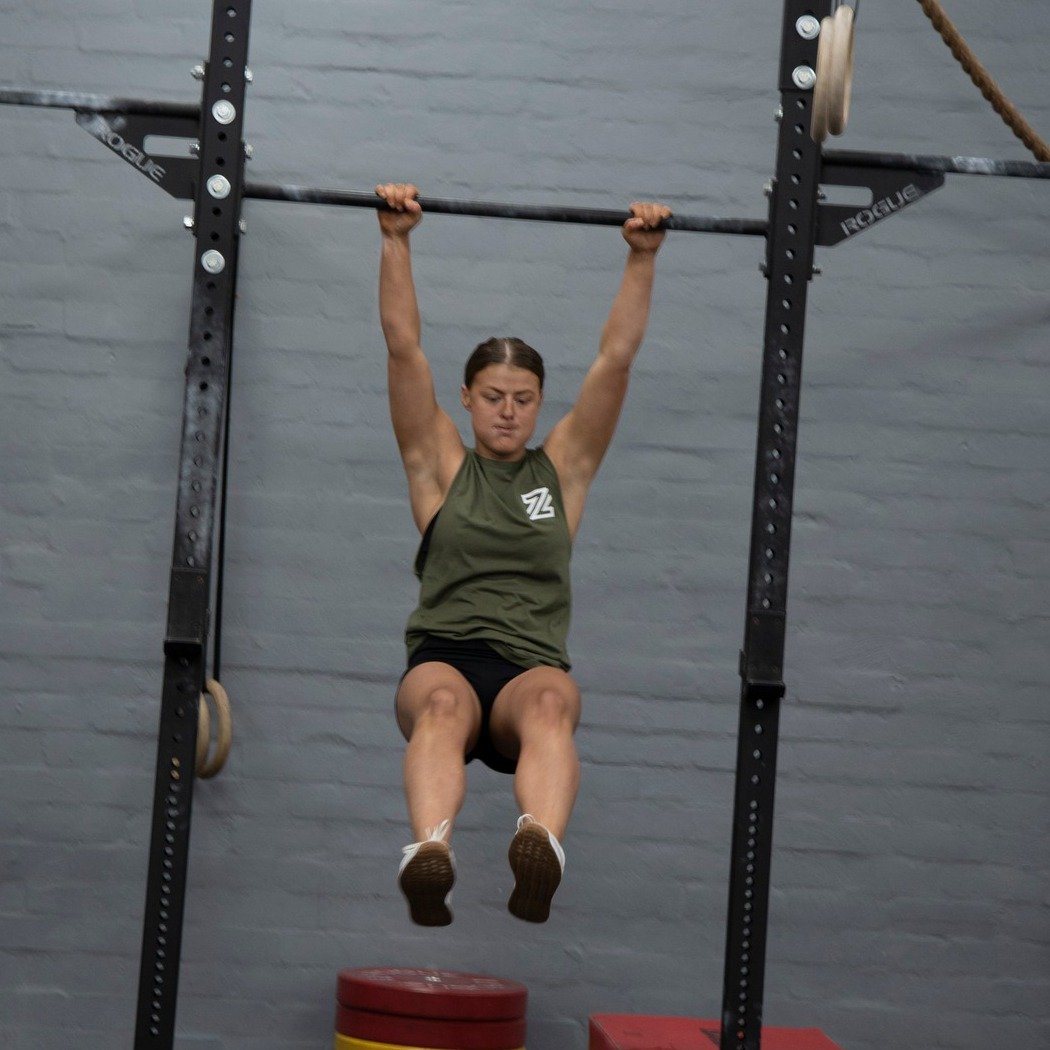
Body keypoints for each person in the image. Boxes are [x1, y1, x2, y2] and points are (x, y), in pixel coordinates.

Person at [376, 182, 671, 926]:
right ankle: (429, 854)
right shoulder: (441, 464)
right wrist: (396, 239)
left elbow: (616, 360)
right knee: (442, 707)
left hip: (527, 665)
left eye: (524, 397)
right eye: (494, 395)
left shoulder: (561, 469)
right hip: (446, 656)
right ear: (468, 399)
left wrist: (641, 259)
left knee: (552, 702)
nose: (509, 411)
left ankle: (538, 845)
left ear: (539, 404)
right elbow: (404, 348)